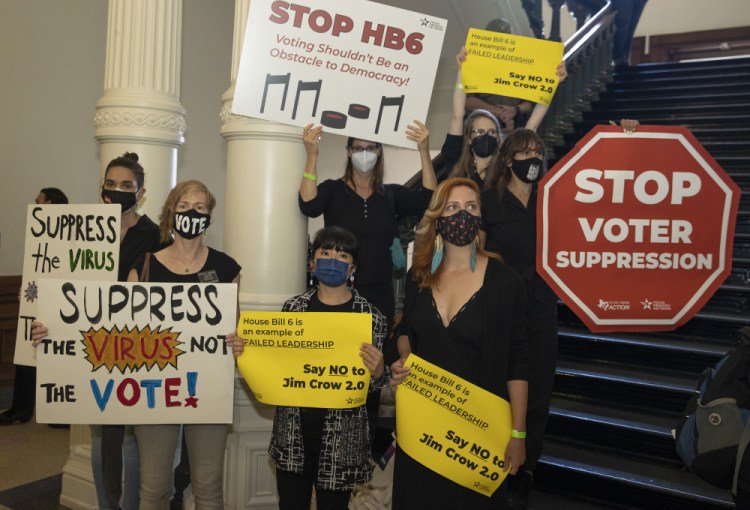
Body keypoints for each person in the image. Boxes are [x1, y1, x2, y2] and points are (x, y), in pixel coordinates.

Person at [481, 121, 639, 509]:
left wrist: (626, 141)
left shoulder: (557, 198)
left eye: (537, 153)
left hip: (541, 310)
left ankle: (524, 470)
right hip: (500, 310)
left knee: (537, 393)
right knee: (496, 389)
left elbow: (609, 195)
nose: (531, 159)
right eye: (523, 153)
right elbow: (476, 255)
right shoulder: (487, 202)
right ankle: (490, 466)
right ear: (507, 161)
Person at [29, 154, 162, 510]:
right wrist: (43, 321)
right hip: (89, 346)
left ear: (141, 191)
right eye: (110, 184)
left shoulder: (155, 234)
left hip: (134, 347)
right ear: (101, 187)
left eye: (126, 185)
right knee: (102, 437)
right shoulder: (78, 228)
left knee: (132, 438)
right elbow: (57, 282)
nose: (116, 190)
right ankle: (108, 505)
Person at [390, 178, 529, 509]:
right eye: (452, 208)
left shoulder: (505, 282)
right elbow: (407, 333)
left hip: (477, 435)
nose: (462, 215)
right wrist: (404, 364)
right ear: (438, 218)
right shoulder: (418, 277)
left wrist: (519, 434)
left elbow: (518, 360)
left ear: (481, 217)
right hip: (423, 428)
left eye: (471, 207)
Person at [126, 179, 242, 510]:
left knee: (208, 488)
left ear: (209, 216)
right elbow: (119, 330)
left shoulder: (226, 268)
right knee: (154, 489)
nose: (192, 212)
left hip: (207, 386)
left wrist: (238, 341)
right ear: (170, 213)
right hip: (154, 386)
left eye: (200, 207)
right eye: (184, 206)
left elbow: (235, 324)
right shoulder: (144, 268)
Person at [269, 226, 390, 510]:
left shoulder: (371, 318)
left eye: (342, 254)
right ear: (313, 262)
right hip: (294, 432)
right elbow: (277, 365)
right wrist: (247, 353)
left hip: (343, 441)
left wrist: (378, 372)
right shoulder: (293, 309)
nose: (333, 259)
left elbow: (372, 389)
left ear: (353, 268)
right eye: (326, 252)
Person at [445, 48, 566, 188]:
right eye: (479, 132)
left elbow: (532, 126)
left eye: (491, 132)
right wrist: (462, 71)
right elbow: (457, 115)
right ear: (469, 138)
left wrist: (552, 84)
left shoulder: (505, 167)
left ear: (498, 138)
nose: (486, 136)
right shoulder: (456, 160)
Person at [0, 188, 69, 426]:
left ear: (50, 204)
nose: (34, 204)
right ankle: (21, 409)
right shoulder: (37, 234)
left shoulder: (71, 234)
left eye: (38, 201)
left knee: (62, 356)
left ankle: (61, 412)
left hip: (64, 306)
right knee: (26, 354)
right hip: (36, 302)